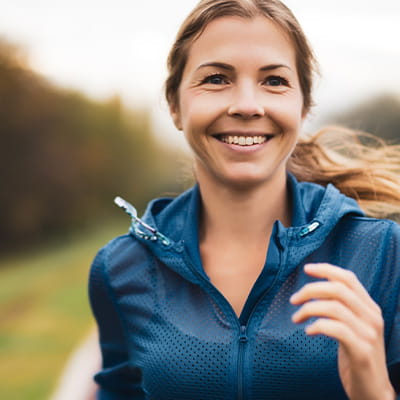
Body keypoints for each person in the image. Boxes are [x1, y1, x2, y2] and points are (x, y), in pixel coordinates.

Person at [88, 0, 400, 398]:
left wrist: (375, 390)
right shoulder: (120, 269)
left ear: (303, 107)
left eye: (274, 81)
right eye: (217, 79)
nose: (248, 106)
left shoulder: (381, 254)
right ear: (174, 106)